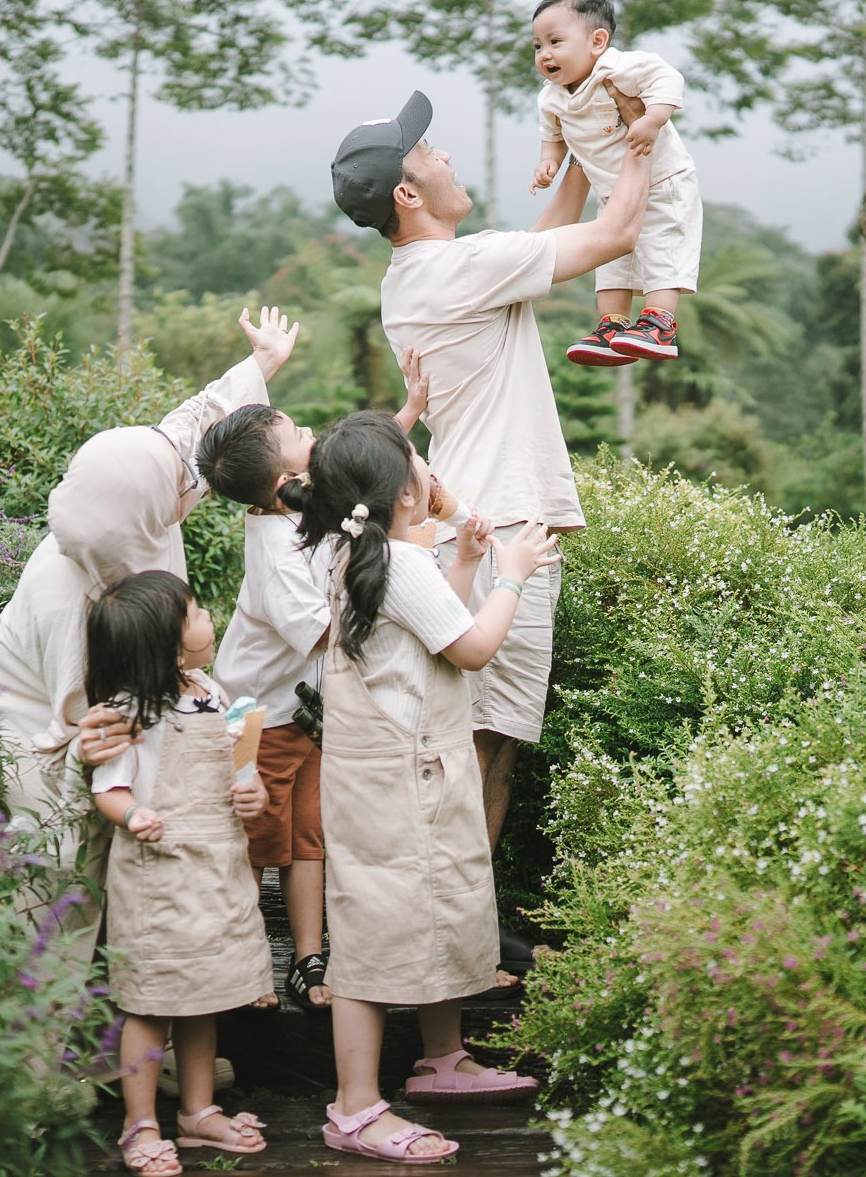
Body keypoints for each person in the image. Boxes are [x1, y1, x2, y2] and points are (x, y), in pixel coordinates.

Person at [329, 89, 651, 872]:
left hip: (472, 518)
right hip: (498, 528)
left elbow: (533, 248)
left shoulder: (419, 276)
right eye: (427, 152)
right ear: (408, 193)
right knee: (486, 742)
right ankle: (451, 918)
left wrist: (577, 145)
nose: (444, 156)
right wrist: (639, 143)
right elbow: (617, 233)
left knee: (473, 735)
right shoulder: (461, 268)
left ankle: (447, 912)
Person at [0, 307, 300, 975]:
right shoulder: (75, 597)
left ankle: (145, 1025)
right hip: (32, 722)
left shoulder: (140, 486)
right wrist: (105, 757)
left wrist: (260, 365)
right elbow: (79, 721)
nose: (189, 484)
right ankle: (47, 1049)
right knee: (66, 874)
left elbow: (192, 433)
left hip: (115, 709)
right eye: (180, 483)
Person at [296, 412, 561, 1164]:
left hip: (401, 772)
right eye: (417, 459)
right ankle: (354, 1106)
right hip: (399, 781)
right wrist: (513, 574)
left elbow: (428, 625)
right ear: (403, 491)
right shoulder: (398, 563)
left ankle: (442, 1058)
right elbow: (473, 647)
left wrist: (469, 565)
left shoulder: (364, 551)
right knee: (375, 935)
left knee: (441, 899)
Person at [193, 355, 430, 1014]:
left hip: (299, 715)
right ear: (285, 473)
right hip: (256, 721)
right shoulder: (271, 549)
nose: (311, 433)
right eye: (297, 429)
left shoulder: (299, 502)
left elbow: (356, 469)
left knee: (306, 837)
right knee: (256, 843)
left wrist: (405, 416)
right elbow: (322, 631)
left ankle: (307, 955)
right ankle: (234, 963)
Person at [85, 571, 272, 1174]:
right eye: (194, 611)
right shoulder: (129, 714)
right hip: (158, 876)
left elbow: (241, 775)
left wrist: (255, 796)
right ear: (167, 639)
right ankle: (140, 1122)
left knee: (204, 994)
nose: (206, 617)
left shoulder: (212, 693)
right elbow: (109, 789)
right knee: (150, 1001)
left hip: (215, 867)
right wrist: (133, 812)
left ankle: (196, 1112)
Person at [528, 0, 703, 368]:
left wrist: (653, 119)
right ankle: (612, 326)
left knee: (659, 244)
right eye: (538, 46)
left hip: (663, 181)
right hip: (612, 190)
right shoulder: (551, 97)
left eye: (555, 41)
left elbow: (668, 80)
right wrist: (548, 164)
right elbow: (552, 138)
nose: (545, 54)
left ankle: (659, 322)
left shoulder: (619, 67)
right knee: (610, 258)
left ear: (598, 41)